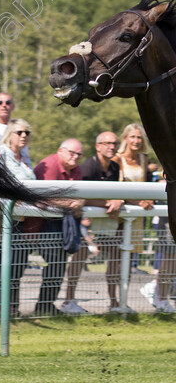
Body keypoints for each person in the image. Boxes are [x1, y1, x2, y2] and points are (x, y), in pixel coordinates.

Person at [0, 120, 35, 318]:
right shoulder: (0, 152)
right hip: (1, 218)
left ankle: (11, 305)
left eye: (27, 132)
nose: (24, 135)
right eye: (19, 132)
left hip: (22, 219)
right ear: (10, 134)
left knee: (18, 264)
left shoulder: (25, 157)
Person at [33, 139, 85, 316]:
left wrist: (78, 203)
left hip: (59, 221)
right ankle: (14, 308)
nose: (76, 157)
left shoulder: (75, 169)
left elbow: (80, 195)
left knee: (57, 265)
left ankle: (45, 306)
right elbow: (43, 196)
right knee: (21, 266)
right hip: (38, 222)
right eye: (72, 153)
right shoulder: (48, 165)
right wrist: (71, 204)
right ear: (60, 151)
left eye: (79, 154)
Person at [112, 124, 160, 308]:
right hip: (122, 215)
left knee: (130, 260)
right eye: (132, 137)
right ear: (125, 139)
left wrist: (147, 200)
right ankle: (113, 301)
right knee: (116, 260)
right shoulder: (118, 159)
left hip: (139, 217)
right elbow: (118, 189)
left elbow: (146, 185)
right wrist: (137, 202)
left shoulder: (143, 159)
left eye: (139, 137)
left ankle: (124, 301)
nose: (136, 141)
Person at [77, 131, 123, 313]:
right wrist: (107, 203)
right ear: (98, 146)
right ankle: (69, 300)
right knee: (79, 259)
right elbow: (82, 198)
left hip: (107, 222)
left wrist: (117, 200)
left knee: (115, 259)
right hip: (85, 222)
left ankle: (114, 302)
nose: (112, 147)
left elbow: (116, 193)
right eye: (107, 143)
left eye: (115, 143)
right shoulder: (88, 167)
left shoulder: (115, 167)